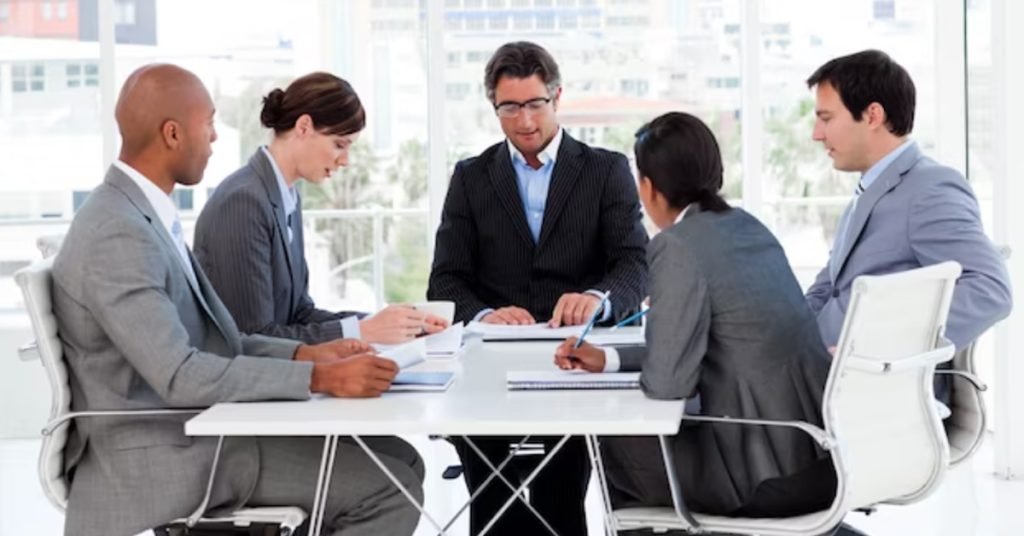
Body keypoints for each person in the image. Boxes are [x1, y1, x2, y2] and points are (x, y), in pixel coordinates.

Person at [51, 64, 423, 536]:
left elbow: (214, 340)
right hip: (162, 451)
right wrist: (321, 376)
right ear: (172, 133)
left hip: (191, 429)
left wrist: (308, 352)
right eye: (208, 124)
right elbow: (182, 372)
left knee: (401, 457)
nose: (214, 139)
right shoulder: (117, 231)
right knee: (391, 488)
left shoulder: (141, 214)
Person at [555, 111, 837, 520]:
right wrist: (610, 358)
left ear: (647, 187)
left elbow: (668, 382)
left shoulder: (677, 246)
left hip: (755, 475)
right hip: (814, 460)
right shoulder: (748, 227)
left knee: (608, 434)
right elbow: (703, 344)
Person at [427, 41, 648, 536]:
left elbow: (634, 263)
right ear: (494, 107)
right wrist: (485, 314)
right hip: (487, 370)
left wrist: (598, 299)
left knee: (561, 503)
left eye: (534, 105)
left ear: (556, 98)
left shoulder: (604, 169)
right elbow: (445, 279)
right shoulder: (470, 177)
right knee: (491, 509)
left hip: (571, 363)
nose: (524, 121)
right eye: (509, 107)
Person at [194, 72, 447, 345]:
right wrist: (363, 331)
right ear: (303, 127)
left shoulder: (285, 196)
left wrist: (390, 324)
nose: (345, 160)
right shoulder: (244, 201)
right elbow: (254, 338)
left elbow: (300, 313)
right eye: (339, 145)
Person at [804, 49, 1011, 357]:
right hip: (817, 373)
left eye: (826, 118)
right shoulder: (867, 194)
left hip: (868, 383)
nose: (816, 134)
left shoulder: (930, 189)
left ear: (873, 115)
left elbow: (989, 290)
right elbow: (827, 292)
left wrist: (875, 350)